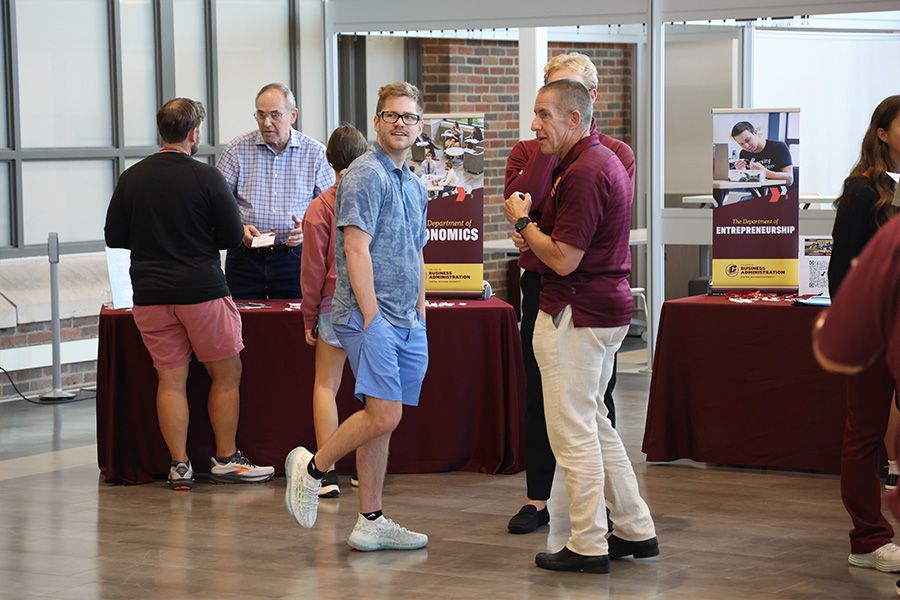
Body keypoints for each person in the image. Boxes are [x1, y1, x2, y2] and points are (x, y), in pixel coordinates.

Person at [504, 79, 657, 573]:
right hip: (596, 310)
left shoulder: (587, 170)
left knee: (573, 434)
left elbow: (566, 260)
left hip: (576, 311)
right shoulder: (592, 162)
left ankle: (588, 543)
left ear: (575, 118)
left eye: (544, 115)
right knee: (594, 422)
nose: (534, 125)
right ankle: (634, 528)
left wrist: (525, 224)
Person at [285, 82, 430, 552]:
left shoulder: (413, 181)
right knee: (384, 413)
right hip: (371, 317)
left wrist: (421, 305)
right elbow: (354, 248)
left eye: (408, 117)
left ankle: (370, 519)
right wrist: (374, 317)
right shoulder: (366, 174)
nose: (400, 123)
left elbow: (416, 249)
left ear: (419, 126)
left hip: (407, 317)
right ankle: (312, 469)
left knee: (382, 417)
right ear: (377, 122)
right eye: (391, 115)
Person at [104, 98, 274, 491]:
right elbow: (232, 238)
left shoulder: (131, 177)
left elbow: (115, 237)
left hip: (148, 295)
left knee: (170, 380)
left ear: (161, 131)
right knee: (226, 375)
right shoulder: (207, 177)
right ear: (194, 133)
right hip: (202, 292)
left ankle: (179, 465)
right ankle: (226, 458)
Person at [821, 95, 900, 573]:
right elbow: (842, 274)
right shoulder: (863, 193)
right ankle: (868, 539)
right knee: (864, 432)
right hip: (875, 334)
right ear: (883, 133)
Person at [301, 124, 370, 499]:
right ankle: (365, 471)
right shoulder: (375, 198)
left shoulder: (320, 206)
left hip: (331, 306)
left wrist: (307, 314)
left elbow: (311, 269)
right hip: (371, 305)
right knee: (371, 393)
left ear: (328, 160)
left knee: (326, 386)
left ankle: (324, 473)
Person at [217, 83, 335, 300]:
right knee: (243, 326)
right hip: (244, 258)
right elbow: (216, 205)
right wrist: (238, 228)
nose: (266, 123)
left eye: (275, 115)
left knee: (294, 326)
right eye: (260, 115)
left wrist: (308, 231)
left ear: (293, 115)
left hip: (295, 258)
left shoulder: (316, 153)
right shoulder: (237, 150)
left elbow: (331, 210)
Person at [731, 121, 794, 187]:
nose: (746, 146)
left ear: (755, 133)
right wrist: (743, 173)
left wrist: (764, 173)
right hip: (758, 193)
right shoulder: (744, 153)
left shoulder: (779, 147)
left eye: (748, 140)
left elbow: (790, 179)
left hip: (778, 193)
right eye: (741, 144)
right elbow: (748, 188)